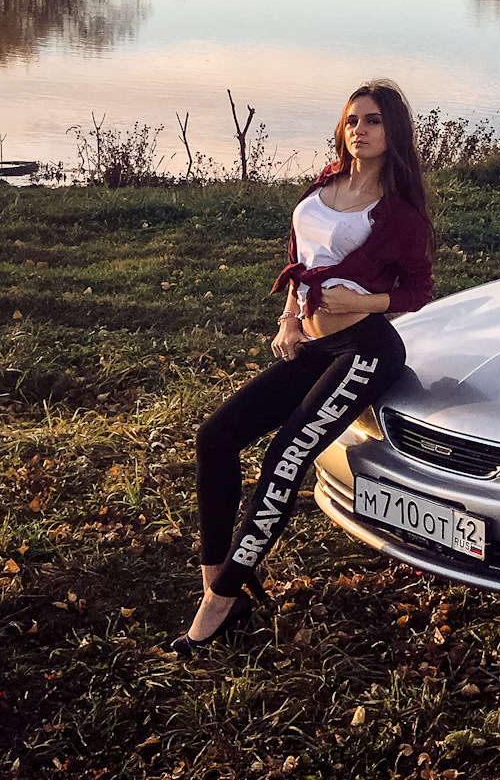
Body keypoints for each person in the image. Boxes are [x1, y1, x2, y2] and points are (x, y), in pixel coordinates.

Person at [173, 79, 434, 655]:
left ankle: (219, 602)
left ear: (393, 133)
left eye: (370, 121)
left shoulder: (398, 211)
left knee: (285, 454)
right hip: (312, 344)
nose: (357, 130)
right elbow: (301, 260)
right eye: (350, 120)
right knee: (215, 437)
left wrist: (362, 302)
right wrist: (290, 318)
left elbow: (418, 289)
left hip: (366, 350)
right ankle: (218, 578)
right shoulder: (326, 183)